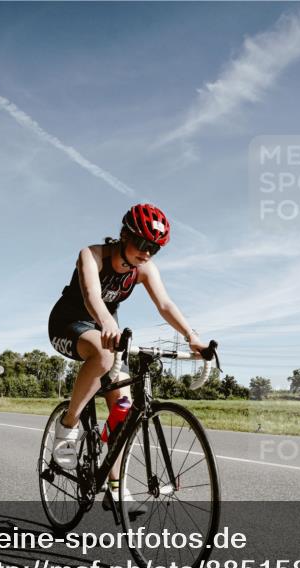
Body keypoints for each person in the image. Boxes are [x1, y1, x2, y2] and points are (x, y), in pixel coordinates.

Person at [47, 203, 208, 502]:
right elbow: (92, 295)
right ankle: (68, 424)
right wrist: (107, 321)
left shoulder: (143, 269)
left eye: (155, 248)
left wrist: (191, 336)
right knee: (104, 355)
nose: (147, 252)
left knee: (123, 407)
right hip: (68, 324)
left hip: (107, 334)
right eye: (142, 243)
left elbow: (166, 305)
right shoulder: (92, 255)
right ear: (124, 235)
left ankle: (115, 486)